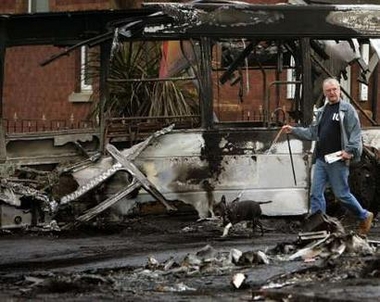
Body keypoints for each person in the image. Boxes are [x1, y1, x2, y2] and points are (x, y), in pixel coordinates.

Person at [282, 77, 373, 236]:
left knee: (342, 194)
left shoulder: (347, 110)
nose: (332, 93)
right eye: (328, 91)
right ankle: (319, 227)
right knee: (316, 193)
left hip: (338, 159)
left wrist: (349, 151)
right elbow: (312, 132)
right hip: (321, 159)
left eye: (334, 89)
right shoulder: (323, 111)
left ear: (339, 90)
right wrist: (294, 130)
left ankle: (364, 215)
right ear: (325, 93)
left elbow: (355, 134)